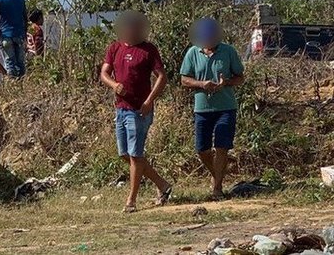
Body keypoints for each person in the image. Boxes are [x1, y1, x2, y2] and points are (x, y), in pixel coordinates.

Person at [99, 11, 172, 212]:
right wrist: (114, 85)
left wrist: (150, 101)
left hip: (139, 110)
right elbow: (104, 73)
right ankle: (163, 185)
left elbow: (161, 77)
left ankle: (131, 200)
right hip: (121, 109)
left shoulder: (148, 50)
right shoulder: (114, 48)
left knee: (135, 155)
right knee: (125, 154)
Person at [179, 17, 245, 200]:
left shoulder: (228, 51)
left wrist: (227, 83)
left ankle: (217, 188)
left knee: (222, 147)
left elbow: (240, 77)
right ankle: (217, 175)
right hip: (202, 108)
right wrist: (201, 84)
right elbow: (184, 79)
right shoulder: (193, 53)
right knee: (202, 149)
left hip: (226, 107)